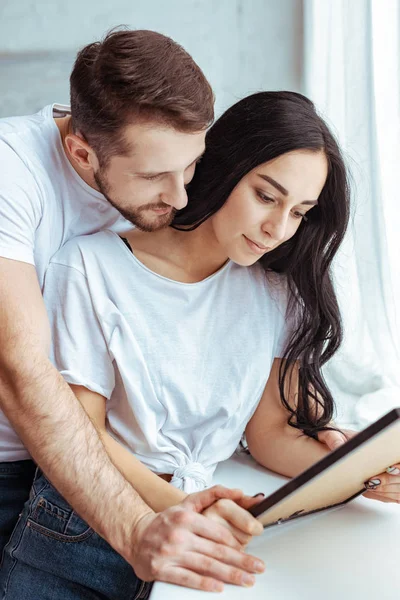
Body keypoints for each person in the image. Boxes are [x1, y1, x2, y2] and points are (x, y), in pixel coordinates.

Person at [0, 89, 382, 598]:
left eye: (300, 212)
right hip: (78, 528)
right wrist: (181, 506)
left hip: (194, 529)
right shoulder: (89, 265)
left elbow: (270, 432)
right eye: (266, 196)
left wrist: (366, 470)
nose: (277, 228)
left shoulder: (276, 289)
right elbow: (84, 434)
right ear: (223, 167)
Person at [0, 28, 265, 592]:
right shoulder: (11, 174)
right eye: (153, 178)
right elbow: (18, 371)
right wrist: (136, 528)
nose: (182, 198)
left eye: (190, 166)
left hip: (109, 461)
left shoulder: (169, 179)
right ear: (80, 152)